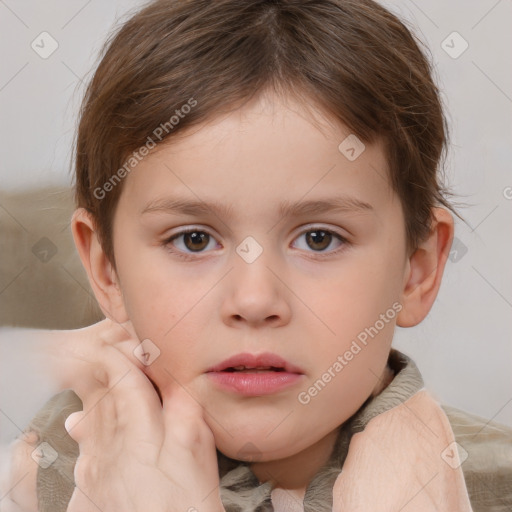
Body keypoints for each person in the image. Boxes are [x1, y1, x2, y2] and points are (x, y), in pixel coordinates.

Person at [2, 0, 511, 511]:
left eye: (319, 238)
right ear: (105, 268)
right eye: (193, 240)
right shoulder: (30, 485)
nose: (253, 299)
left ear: (416, 271)